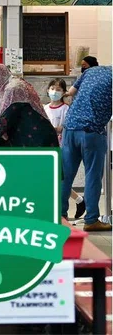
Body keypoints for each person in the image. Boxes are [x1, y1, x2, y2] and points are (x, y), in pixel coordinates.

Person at [60, 65, 112, 231]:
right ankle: (91, 219)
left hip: (69, 128)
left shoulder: (91, 71)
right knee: (92, 176)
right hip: (92, 132)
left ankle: (59, 216)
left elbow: (70, 93)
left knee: (65, 175)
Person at [0, 64, 58, 149]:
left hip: (37, 140)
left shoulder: (12, 89)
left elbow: (5, 120)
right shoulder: (15, 83)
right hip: (35, 137)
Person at [44, 79, 86, 220]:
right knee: (53, 179)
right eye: (52, 88)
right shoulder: (44, 108)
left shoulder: (67, 109)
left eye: (58, 89)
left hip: (62, 147)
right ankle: (79, 200)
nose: (54, 92)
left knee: (61, 179)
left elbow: (67, 125)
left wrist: (58, 129)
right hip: (47, 147)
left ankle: (64, 208)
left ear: (63, 92)